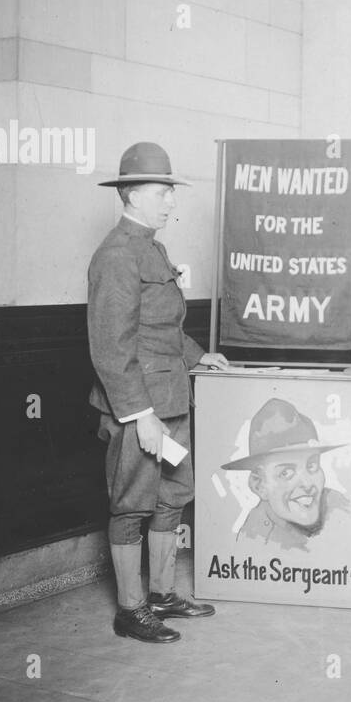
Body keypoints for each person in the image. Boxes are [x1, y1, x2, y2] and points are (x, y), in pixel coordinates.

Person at [88, 141, 229, 644]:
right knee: (132, 503)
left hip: (173, 396)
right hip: (141, 406)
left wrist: (196, 357)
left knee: (172, 496)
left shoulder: (151, 248)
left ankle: (163, 595)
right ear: (130, 194)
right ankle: (130, 609)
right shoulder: (117, 255)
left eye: (170, 191)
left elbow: (162, 327)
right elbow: (111, 346)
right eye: (162, 191)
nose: (171, 200)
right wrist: (139, 415)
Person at [221, 397, 351, 552]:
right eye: (286, 472)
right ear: (259, 485)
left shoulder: (334, 503)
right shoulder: (256, 539)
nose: (306, 483)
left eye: (312, 465)